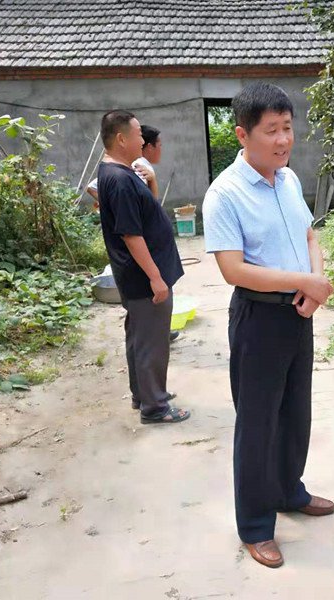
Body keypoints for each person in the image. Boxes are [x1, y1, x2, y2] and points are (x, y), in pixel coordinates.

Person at [203, 82, 334, 569]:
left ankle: (288, 491)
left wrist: (314, 284)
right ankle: (256, 525)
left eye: (288, 128)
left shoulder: (289, 179)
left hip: (298, 313)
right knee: (258, 423)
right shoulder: (225, 194)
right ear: (243, 134)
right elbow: (233, 270)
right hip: (258, 318)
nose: (283, 140)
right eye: (271, 131)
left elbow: (308, 234)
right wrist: (304, 280)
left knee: (295, 412)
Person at [96, 110, 189, 425]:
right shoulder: (120, 180)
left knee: (139, 336)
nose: (142, 140)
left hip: (137, 276)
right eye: (137, 134)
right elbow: (132, 235)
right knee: (152, 341)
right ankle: (155, 407)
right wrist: (155, 277)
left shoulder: (118, 173)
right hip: (143, 278)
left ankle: (144, 394)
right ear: (121, 139)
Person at [86, 124, 163, 206]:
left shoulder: (136, 165)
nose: (161, 150)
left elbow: (92, 187)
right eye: (160, 146)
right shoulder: (140, 166)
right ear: (150, 147)